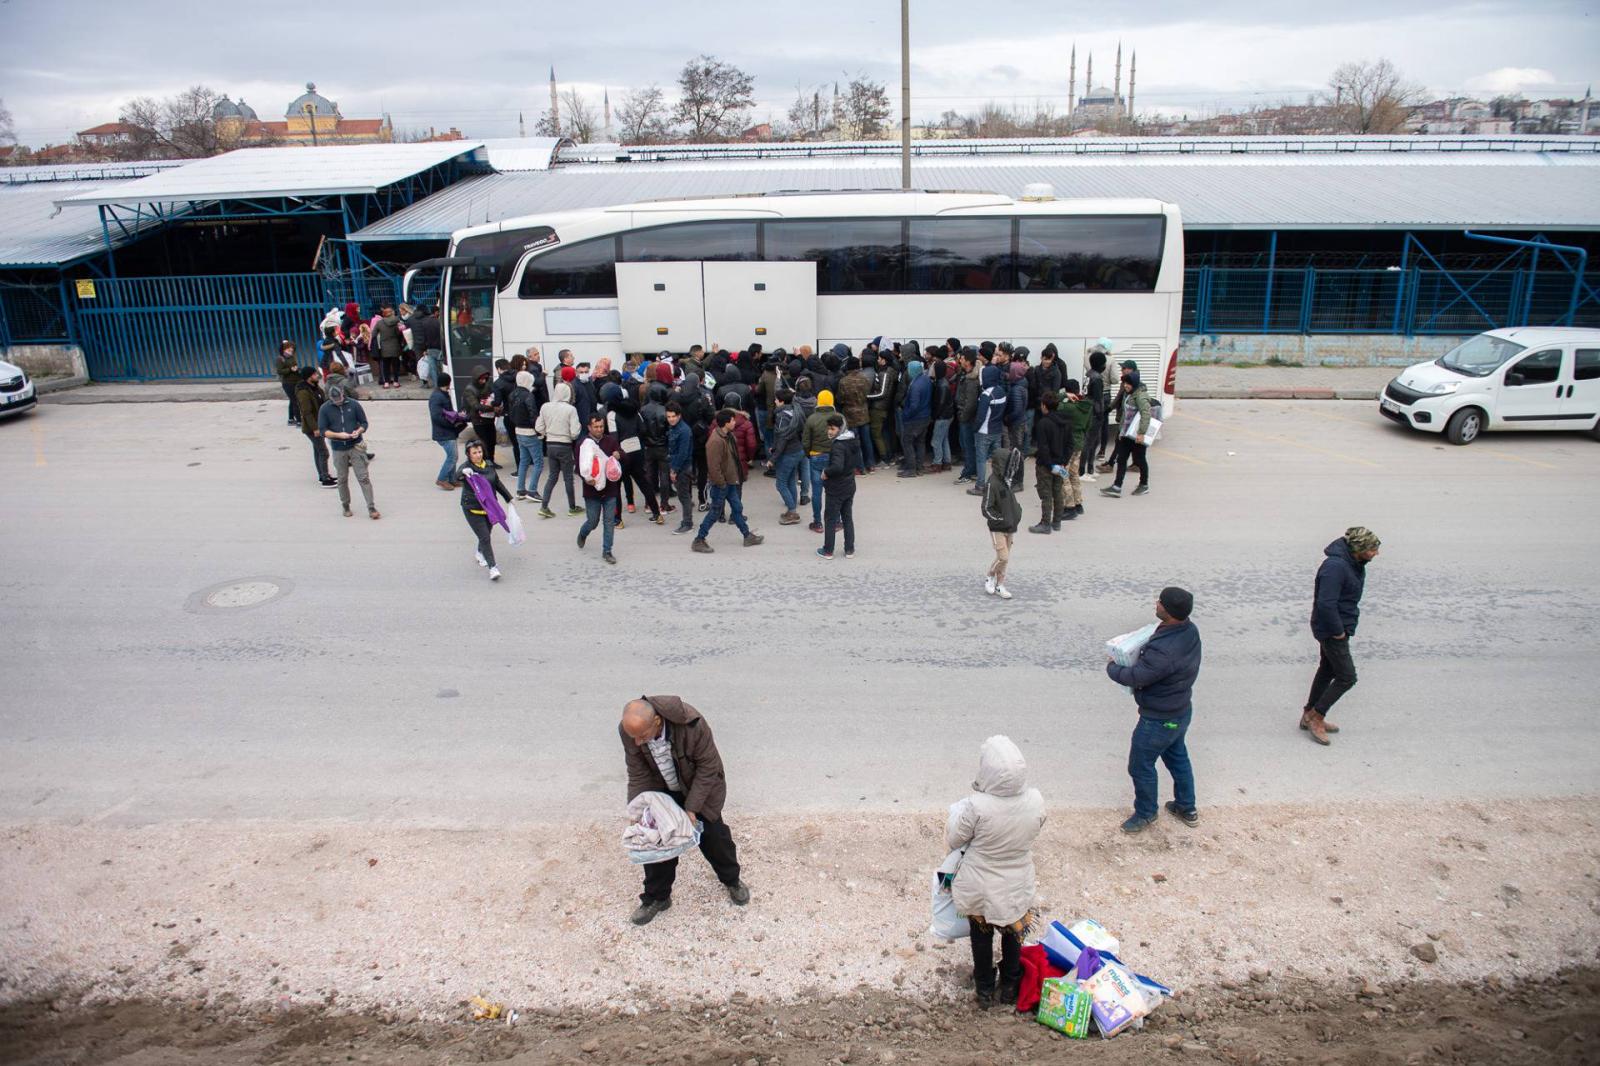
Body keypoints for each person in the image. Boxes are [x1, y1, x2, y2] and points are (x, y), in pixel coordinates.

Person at [620, 696, 750, 925]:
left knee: (715, 838)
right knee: (656, 845)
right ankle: (657, 897)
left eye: (642, 736)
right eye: (634, 737)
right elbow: (638, 772)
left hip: (698, 788)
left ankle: (732, 880)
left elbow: (708, 767)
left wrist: (691, 808)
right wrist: (637, 809)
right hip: (661, 791)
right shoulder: (630, 730)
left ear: (657, 722)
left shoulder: (692, 724)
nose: (638, 742)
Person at [947, 735, 1045, 1010]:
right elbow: (1036, 829)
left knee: (981, 935)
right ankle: (1010, 986)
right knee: (1013, 933)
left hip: (980, 883)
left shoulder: (977, 805)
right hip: (1017, 881)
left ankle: (985, 989)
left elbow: (955, 840)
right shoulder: (1036, 800)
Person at [1105, 587, 1201, 833]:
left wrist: (1112, 668)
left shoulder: (1164, 650)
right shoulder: (1189, 630)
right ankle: (1187, 807)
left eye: (1160, 602)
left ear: (1168, 611)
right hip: (1180, 710)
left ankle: (1146, 813)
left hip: (1159, 720)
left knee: (1140, 765)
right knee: (1177, 757)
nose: (1156, 603)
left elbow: (1138, 676)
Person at [1304, 527, 1381, 745]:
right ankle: (1316, 717)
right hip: (1331, 629)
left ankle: (1308, 712)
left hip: (1338, 626)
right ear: (1358, 549)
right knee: (1347, 677)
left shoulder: (1354, 563)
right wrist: (1338, 631)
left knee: (1327, 669)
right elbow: (1326, 604)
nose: (1376, 553)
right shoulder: (1336, 567)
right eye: (1372, 549)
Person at [691, 410, 764, 553]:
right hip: (722, 484)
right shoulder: (715, 441)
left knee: (737, 509)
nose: (735, 422)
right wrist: (721, 484)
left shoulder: (729, 436)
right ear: (726, 423)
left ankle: (747, 536)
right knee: (715, 513)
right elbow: (713, 467)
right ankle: (699, 539)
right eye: (732, 420)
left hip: (730, 481)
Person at [317, 383, 379, 520]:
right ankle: (345, 505)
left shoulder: (354, 404)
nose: (338, 402)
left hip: (355, 446)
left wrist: (359, 431)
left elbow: (364, 423)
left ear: (343, 394)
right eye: (335, 400)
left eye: (339, 399)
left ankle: (371, 507)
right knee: (342, 479)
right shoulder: (324, 409)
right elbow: (323, 430)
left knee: (363, 477)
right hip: (338, 448)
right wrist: (338, 435)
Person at [458, 439, 511, 581]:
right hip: (472, 509)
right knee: (485, 537)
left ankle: (479, 552)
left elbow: (497, 483)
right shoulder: (466, 467)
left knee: (486, 534)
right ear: (468, 454)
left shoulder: (488, 465)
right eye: (474, 453)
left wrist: (509, 498)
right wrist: (463, 472)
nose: (478, 455)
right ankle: (493, 567)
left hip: (489, 508)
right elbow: (457, 476)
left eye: (479, 452)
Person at [1100, 362, 1153, 498]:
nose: (1125, 385)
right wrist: (1121, 432)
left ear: (1134, 383)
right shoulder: (1129, 394)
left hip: (1136, 436)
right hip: (1126, 434)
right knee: (1122, 459)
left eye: (1128, 383)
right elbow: (1125, 415)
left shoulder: (1141, 396)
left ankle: (1144, 484)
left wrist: (1141, 433)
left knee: (1140, 460)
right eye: (1124, 383)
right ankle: (1117, 487)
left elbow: (1146, 414)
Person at [576, 414, 623, 564]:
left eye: (601, 426)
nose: (599, 429)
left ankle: (607, 551)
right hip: (592, 491)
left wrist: (619, 454)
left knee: (609, 521)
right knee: (593, 521)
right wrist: (586, 479)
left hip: (610, 489)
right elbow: (579, 468)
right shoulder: (583, 444)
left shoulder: (611, 441)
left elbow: (622, 455)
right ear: (589, 427)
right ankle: (583, 533)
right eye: (596, 427)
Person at [535, 381, 582, 518]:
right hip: (565, 445)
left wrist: (548, 433)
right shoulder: (570, 409)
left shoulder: (545, 407)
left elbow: (539, 427)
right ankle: (572, 507)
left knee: (552, 476)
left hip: (550, 445)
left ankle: (544, 506)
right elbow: (575, 433)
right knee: (568, 478)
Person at [816, 412, 861, 559]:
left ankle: (828, 550)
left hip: (836, 488)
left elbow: (837, 467)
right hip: (849, 485)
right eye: (828, 428)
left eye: (832, 428)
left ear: (840, 429)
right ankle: (849, 549)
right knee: (847, 517)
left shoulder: (838, 446)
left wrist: (826, 472)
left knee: (830, 519)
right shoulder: (852, 440)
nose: (829, 431)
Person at [980, 446, 1022, 600]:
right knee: (1003, 557)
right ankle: (990, 576)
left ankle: (1000, 585)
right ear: (1001, 464)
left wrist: (1017, 513)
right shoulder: (992, 483)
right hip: (997, 527)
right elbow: (986, 508)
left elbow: (1012, 503)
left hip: (1010, 526)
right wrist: (1000, 520)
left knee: (1005, 559)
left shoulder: (1006, 481)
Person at [1028, 393, 1069, 534]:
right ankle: (1057, 521)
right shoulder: (1065, 422)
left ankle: (1045, 523)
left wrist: (1049, 465)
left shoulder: (1043, 423)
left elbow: (1043, 447)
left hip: (1046, 465)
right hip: (1061, 464)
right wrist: (1064, 462)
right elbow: (1070, 445)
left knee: (1046, 494)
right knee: (1058, 492)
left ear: (1044, 406)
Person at [967, 363, 1008, 498]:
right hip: (997, 431)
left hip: (984, 432)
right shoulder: (1001, 391)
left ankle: (980, 486)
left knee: (981, 460)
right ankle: (1000, 484)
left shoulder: (986, 395)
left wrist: (974, 429)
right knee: (997, 460)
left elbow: (980, 417)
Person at [802, 389, 839, 534]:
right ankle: (836, 522)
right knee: (834, 491)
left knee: (817, 493)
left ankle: (817, 523)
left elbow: (806, 442)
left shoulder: (811, 419)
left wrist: (809, 454)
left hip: (816, 457)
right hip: (834, 458)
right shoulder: (838, 418)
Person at [1055, 380, 1093, 521]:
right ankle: (1078, 503)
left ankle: (1069, 507)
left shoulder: (1068, 407)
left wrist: (1063, 395)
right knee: (1074, 474)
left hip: (1068, 445)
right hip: (1079, 443)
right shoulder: (1087, 406)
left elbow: (1052, 401)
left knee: (1063, 475)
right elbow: (1088, 426)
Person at [293, 367, 336, 487]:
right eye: (314, 374)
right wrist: (315, 428)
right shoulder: (303, 392)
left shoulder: (315, 387)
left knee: (318, 451)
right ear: (309, 377)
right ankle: (325, 478)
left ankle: (322, 475)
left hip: (320, 423)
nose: (317, 375)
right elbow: (306, 412)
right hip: (312, 427)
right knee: (323, 452)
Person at [769, 388, 805, 525]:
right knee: (790, 480)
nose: (775, 401)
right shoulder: (795, 411)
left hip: (788, 453)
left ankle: (792, 512)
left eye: (776, 399)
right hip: (797, 450)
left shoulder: (782, 417)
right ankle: (792, 508)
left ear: (782, 402)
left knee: (780, 484)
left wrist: (772, 459)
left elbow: (782, 438)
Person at [508, 370, 544, 502]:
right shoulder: (528, 395)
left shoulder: (512, 394)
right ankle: (532, 491)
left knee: (523, 461)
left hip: (518, 430)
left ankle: (521, 490)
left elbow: (511, 413)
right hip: (530, 432)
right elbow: (533, 415)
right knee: (538, 462)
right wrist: (539, 431)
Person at [640, 382, 673, 520]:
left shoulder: (643, 410)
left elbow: (641, 428)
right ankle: (664, 504)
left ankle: (649, 503)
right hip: (662, 446)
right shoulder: (664, 410)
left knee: (649, 475)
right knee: (664, 475)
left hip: (648, 447)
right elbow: (668, 430)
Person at [429, 371, 467, 490]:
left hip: (448, 432)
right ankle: (442, 479)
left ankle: (452, 479)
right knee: (452, 457)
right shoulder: (437, 397)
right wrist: (452, 424)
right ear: (447, 383)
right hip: (444, 433)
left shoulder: (442, 394)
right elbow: (436, 416)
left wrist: (456, 416)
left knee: (453, 456)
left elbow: (448, 412)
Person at [836, 355, 873, 474]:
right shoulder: (865, 379)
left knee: (855, 442)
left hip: (850, 415)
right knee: (867, 440)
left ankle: (859, 467)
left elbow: (840, 399)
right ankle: (870, 464)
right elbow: (868, 393)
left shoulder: (843, 381)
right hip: (864, 412)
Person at [897, 357, 932, 477]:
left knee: (907, 442)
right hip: (925, 416)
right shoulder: (926, 379)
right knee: (920, 442)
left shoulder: (915, 385)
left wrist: (905, 415)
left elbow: (914, 406)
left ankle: (911, 469)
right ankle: (919, 467)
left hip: (915, 419)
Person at [665, 402, 696, 534]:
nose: (671, 419)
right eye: (668, 417)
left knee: (684, 496)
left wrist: (674, 470)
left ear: (679, 416)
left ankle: (687, 523)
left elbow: (683, 453)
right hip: (678, 465)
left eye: (673, 416)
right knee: (684, 496)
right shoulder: (675, 428)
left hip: (682, 467)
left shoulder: (684, 431)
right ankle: (687, 522)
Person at [954, 348, 981, 484]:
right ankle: (973, 470)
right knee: (969, 446)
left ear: (968, 361)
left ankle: (968, 473)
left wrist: (962, 416)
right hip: (966, 417)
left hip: (967, 418)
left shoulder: (971, 380)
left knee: (968, 446)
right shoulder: (967, 375)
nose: (960, 360)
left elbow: (970, 403)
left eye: (962, 358)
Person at [465, 370, 500, 468]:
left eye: (485, 379)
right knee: (483, 443)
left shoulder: (487, 386)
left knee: (491, 441)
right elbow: (475, 406)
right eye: (481, 379)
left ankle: (491, 461)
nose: (483, 381)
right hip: (478, 420)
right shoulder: (470, 389)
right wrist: (492, 408)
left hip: (489, 419)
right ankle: (484, 463)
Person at [929, 358, 955, 473]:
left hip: (942, 417)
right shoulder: (943, 382)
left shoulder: (942, 385)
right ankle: (947, 462)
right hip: (947, 415)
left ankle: (937, 463)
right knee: (944, 439)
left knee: (936, 441)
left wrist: (934, 416)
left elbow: (940, 404)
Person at [372, 304, 405, 389]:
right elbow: (397, 333)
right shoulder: (396, 322)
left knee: (386, 365)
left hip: (384, 347)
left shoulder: (379, 323)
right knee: (396, 365)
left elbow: (373, 334)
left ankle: (386, 383)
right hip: (395, 346)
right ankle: (396, 382)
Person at [275, 340, 300, 426]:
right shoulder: (280, 359)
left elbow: (295, 365)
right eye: (289, 348)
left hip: (295, 380)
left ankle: (291, 419)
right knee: (295, 401)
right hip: (288, 383)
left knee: (292, 401)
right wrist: (290, 370)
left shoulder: (292, 357)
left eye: (292, 348)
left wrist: (296, 369)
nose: (291, 350)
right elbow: (280, 371)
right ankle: (299, 420)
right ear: (283, 349)